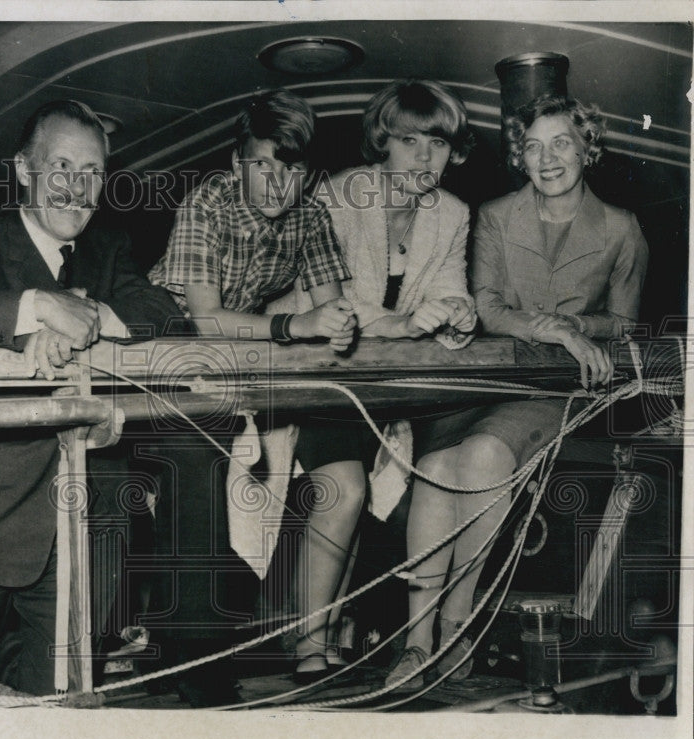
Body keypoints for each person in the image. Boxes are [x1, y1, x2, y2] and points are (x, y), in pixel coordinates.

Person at [0, 99, 181, 696]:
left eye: (93, 172)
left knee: (58, 698)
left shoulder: (110, 248)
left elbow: (165, 314)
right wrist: (36, 306)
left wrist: (92, 316)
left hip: (89, 519)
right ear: (25, 171)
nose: (78, 189)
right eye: (62, 168)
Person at [387, 94, 648, 690]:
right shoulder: (498, 216)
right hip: (491, 382)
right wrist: (549, 326)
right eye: (532, 146)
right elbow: (486, 306)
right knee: (433, 466)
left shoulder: (621, 228)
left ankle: (457, 631)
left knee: (477, 459)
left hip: (558, 391)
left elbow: (628, 326)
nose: (547, 157)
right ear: (519, 156)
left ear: (587, 146)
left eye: (560, 142)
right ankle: (414, 642)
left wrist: (579, 328)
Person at [148, 88, 359, 687]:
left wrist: (341, 324)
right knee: (198, 465)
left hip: (239, 353)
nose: (276, 183)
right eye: (262, 164)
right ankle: (188, 653)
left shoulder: (311, 214)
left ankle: (289, 634)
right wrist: (299, 327)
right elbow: (204, 318)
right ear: (238, 161)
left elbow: (332, 307)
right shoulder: (205, 204)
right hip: (160, 335)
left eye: (290, 170)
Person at [274, 79, 477, 681]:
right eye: (408, 141)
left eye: (437, 144)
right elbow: (329, 299)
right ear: (381, 143)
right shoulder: (337, 195)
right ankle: (307, 640)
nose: (423, 157)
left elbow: (450, 294)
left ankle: (335, 626)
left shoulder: (454, 215)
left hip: (388, 391)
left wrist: (458, 316)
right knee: (347, 489)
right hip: (322, 375)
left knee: (390, 501)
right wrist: (405, 322)